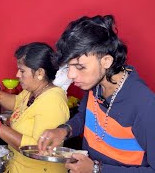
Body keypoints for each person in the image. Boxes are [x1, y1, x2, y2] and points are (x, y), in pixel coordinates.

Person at [38, 15, 155, 173]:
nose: (71, 75)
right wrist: (64, 130)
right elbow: (84, 117)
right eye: (69, 66)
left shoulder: (144, 105)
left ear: (106, 61)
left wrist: (96, 169)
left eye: (80, 67)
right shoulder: (96, 83)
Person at [0, 42, 70, 173]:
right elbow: (16, 102)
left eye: (22, 71)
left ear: (40, 72)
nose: (17, 75)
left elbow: (37, 148)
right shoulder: (32, 91)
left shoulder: (53, 101)